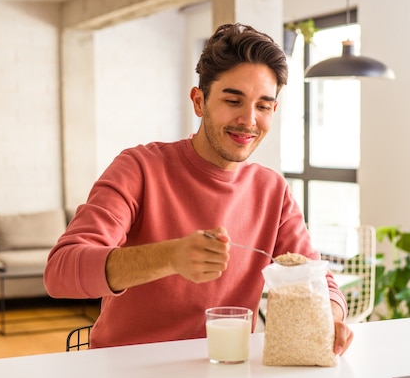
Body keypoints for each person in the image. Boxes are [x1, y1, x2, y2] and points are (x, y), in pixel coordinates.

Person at [44, 23, 354, 355]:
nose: (249, 120)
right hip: (128, 375)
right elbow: (61, 271)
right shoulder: (138, 168)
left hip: (225, 370)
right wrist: (170, 256)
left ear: (273, 111)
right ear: (198, 101)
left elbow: (317, 280)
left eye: (263, 106)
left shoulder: (272, 191)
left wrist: (332, 316)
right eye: (233, 100)